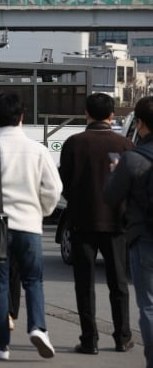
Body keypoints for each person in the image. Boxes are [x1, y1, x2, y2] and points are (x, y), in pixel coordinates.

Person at [0, 93, 62, 360]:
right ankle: (39, 327)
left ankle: (1, 345)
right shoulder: (38, 149)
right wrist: (40, 211)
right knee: (33, 280)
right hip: (30, 226)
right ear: (22, 116)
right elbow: (54, 189)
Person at [60, 93, 134, 354]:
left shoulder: (74, 143)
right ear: (112, 115)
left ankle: (89, 339)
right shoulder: (124, 144)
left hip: (82, 221)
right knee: (119, 284)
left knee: (84, 284)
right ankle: (123, 336)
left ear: (86, 114)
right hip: (116, 224)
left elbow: (65, 184)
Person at [104, 96, 153, 368]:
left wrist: (116, 172)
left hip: (144, 238)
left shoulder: (133, 159)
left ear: (141, 124)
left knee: (148, 306)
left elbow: (110, 197)